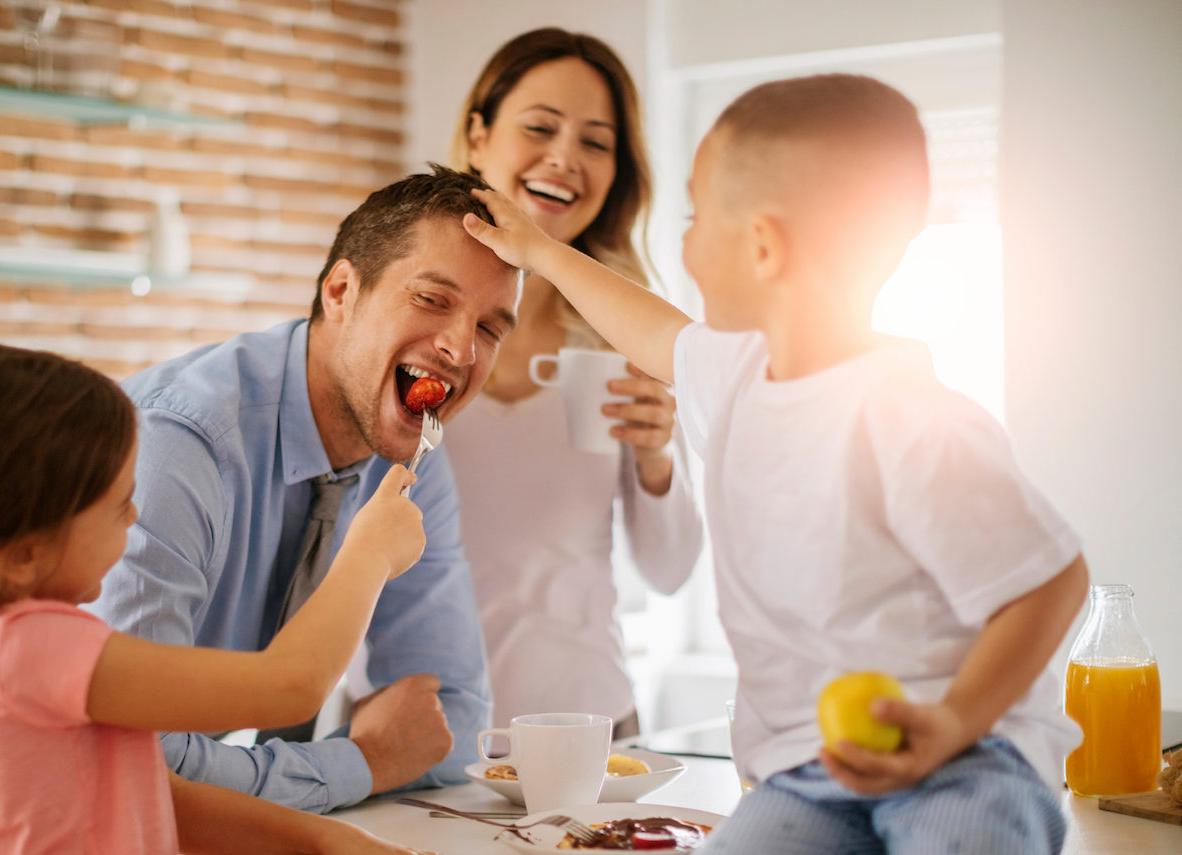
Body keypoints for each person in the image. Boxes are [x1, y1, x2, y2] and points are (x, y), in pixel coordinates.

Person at [463, 73, 1089, 853]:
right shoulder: (733, 376)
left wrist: (955, 720)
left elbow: (1050, 581)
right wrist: (540, 252)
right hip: (803, 770)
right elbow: (647, 325)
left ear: (761, 245)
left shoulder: (910, 417)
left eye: (694, 219)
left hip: (969, 759)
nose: (682, 245)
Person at [0, 342, 430, 855]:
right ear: (22, 550)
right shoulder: (36, 646)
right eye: (118, 501)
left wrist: (326, 841)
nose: (135, 517)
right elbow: (291, 685)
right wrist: (369, 552)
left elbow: (149, 793)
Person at [89, 166, 520, 813]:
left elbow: (447, 715)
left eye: (490, 327)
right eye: (433, 299)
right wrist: (361, 761)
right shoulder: (177, 443)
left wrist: (372, 757)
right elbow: (139, 762)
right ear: (341, 291)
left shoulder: (414, 457)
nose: (461, 348)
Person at [443, 28, 704, 735]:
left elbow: (672, 570)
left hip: (591, 726)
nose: (565, 157)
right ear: (478, 135)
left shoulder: (626, 335)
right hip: (415, 728)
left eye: (596, 141)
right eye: (539, 127)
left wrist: (657, 458)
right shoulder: (409, 322)